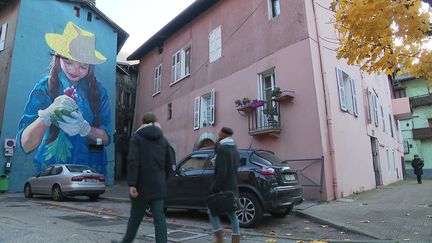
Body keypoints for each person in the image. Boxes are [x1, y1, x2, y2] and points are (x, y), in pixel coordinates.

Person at [17, 21, 111, 176]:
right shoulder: (44, 88)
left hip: (91, 172)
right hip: (50, 174)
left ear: (90, 68)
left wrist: (85, 128)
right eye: (68, 61)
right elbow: (26, 144)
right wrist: (46, 116)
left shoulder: (100, 92)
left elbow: (106, 139)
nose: (75, 70)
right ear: (58, 57)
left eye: (83, 67)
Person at [120, 112, 174, 243]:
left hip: (141, 186)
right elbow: (169, 163)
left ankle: (126, 241)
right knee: (159, 218)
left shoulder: (137, 138)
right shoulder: (163, 140)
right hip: (158, 186)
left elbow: (133, 161)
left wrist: (132, 183)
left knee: (135, 218)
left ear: (143, 123)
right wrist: (163, 180)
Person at [209, 127, 241, 243]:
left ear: (223, 134)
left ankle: (219, 237)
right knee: (232, 213)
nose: (218, 134)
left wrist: (215, 187)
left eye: (219, 132)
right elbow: (235, 168)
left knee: (211, 209)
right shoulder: (234, 148)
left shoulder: (222, 149)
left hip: (223, 186)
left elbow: (222, 171)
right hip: (232, 185)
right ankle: (236, 239)